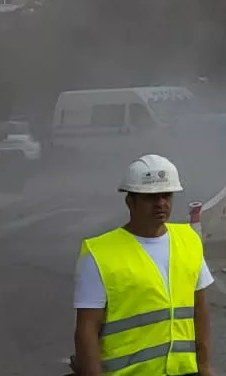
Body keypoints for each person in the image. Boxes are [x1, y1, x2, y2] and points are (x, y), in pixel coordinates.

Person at [72, 154, 213, 376]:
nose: (161, 204)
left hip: (183, 371)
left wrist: (204, 368)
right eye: (151, 197)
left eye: (166, 195)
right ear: (130, 201)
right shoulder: (98, 254)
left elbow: (199, 309)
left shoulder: (189, 240)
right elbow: (87, 327)